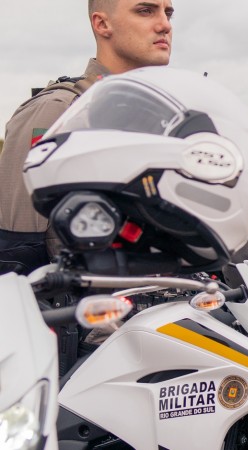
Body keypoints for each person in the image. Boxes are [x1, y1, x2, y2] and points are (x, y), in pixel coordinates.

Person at [0, 0, 174, 275]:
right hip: (77, 309)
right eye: (145, 11)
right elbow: (17, 253)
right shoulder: (58, 110)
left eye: (168, 13)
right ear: (102, 24)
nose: (164, 24)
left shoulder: (166, 119)